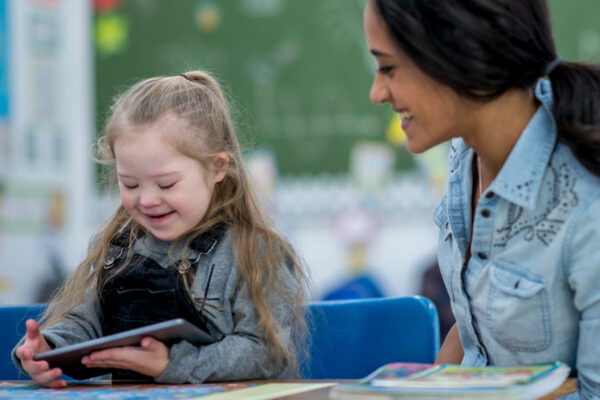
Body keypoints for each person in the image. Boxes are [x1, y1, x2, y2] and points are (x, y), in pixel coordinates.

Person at [364, 0, 600, 398]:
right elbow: (477, 331)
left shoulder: (586, 204)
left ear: (459, 55)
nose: (377, 92)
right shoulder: (465, 156)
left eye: (388, 67)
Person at [12, 70, 308, 387]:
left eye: (166, 183)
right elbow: (86, 325)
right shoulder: (118, 248)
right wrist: (50, 349)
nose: (148, 199)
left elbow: (265, 353)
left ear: (217, 167)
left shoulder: (253, 252)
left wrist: (173, 364)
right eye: (130, 183)